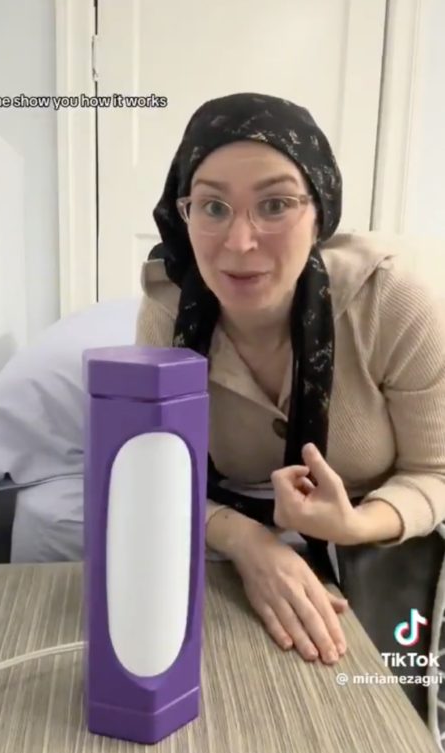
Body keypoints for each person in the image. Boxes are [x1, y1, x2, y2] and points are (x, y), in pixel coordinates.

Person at [135, 92, 445, 668]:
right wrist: (244, 540)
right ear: (184, 214)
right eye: (213, 207)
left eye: (275, 204)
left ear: (319, 213)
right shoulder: (167, 313)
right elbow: (154, 474)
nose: (239, 242)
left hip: (375, 534)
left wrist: (355, 524)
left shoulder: (391, 304)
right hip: (228, 531)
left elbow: (436, 472)